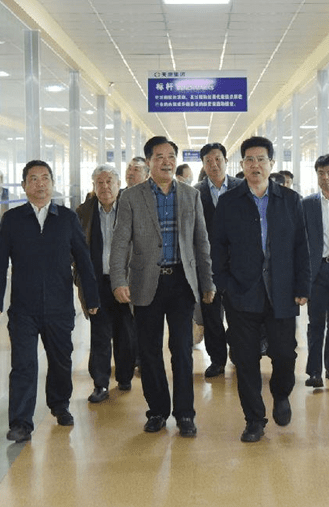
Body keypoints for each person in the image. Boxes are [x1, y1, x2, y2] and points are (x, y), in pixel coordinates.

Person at [0, 160, 100, 443]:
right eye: (33, 179)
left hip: (59, 306)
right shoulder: (12, 219)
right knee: (23, 365)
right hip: (23, 308)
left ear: (52, 183)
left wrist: (91, 297)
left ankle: (59, 405)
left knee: (60, 361)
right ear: (24, 186)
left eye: (45, 178)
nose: (40, 184)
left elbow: (83, 260)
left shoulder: (67, 218)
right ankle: (21, 423)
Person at [110, 136, 215, 438]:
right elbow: (120, 242)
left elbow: (201, 242)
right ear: (149, 162)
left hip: (181, 282)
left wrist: (207, 282)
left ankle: (185, 414)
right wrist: (118, 280)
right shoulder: (131, 197)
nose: (166, 162)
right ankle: (157, 410)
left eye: (171, 156)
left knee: (182, 350)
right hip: (146, 283)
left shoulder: (191, 195)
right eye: (159, 157)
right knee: (149, 351)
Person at [212, 136, 310, 443]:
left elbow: (302, 247)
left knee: (285, 354)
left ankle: (281, 394)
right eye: (250, 160)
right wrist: (225, 286)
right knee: (245, 359)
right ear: (242, 165)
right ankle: (254, 419)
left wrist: (302, 286)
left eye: (261, 159)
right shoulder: (229, 202)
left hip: (282, 292)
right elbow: (217, 248)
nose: (256, 165)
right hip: (242, 294)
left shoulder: (290, 200)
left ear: (271, 163)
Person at [76, 164, 136, 403]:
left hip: (126, 281)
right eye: (99, 183)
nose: (105, 187)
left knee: (126, 332)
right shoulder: (84, 212)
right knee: (99, 334)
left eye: (109, 182)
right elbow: (75, 249)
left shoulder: (131, 208)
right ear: (93, 186)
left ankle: (124, 376)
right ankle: (100, 383)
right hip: (96, 282)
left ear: (119, 185)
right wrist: (79, 279)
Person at [194, 142, 241, 378]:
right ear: (203, 165)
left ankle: (240, 355)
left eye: (218, 159)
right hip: (208, 266)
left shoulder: (242, 187)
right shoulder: (195, 192)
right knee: (211, 316)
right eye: (208, 161)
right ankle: (217, 360)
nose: (214, 165)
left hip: (238, 266)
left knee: (239, 314)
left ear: (226, 160)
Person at [303, 155, 329, 388]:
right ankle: (314, 372)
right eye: (321, 173)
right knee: (316, 322)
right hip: (317, 271)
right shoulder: (307, 204)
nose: (325, 178)